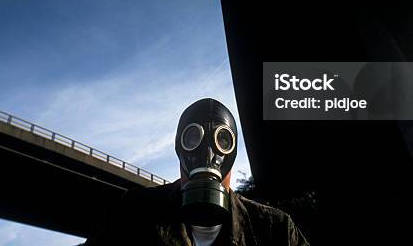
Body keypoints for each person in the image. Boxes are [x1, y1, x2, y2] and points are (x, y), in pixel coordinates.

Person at [84, 98, 309, 245]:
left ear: (232, 152)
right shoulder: (130, 215)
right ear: (179, 148)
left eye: (222, 139)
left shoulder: (276, 231)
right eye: (193, 138)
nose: (208, 154)